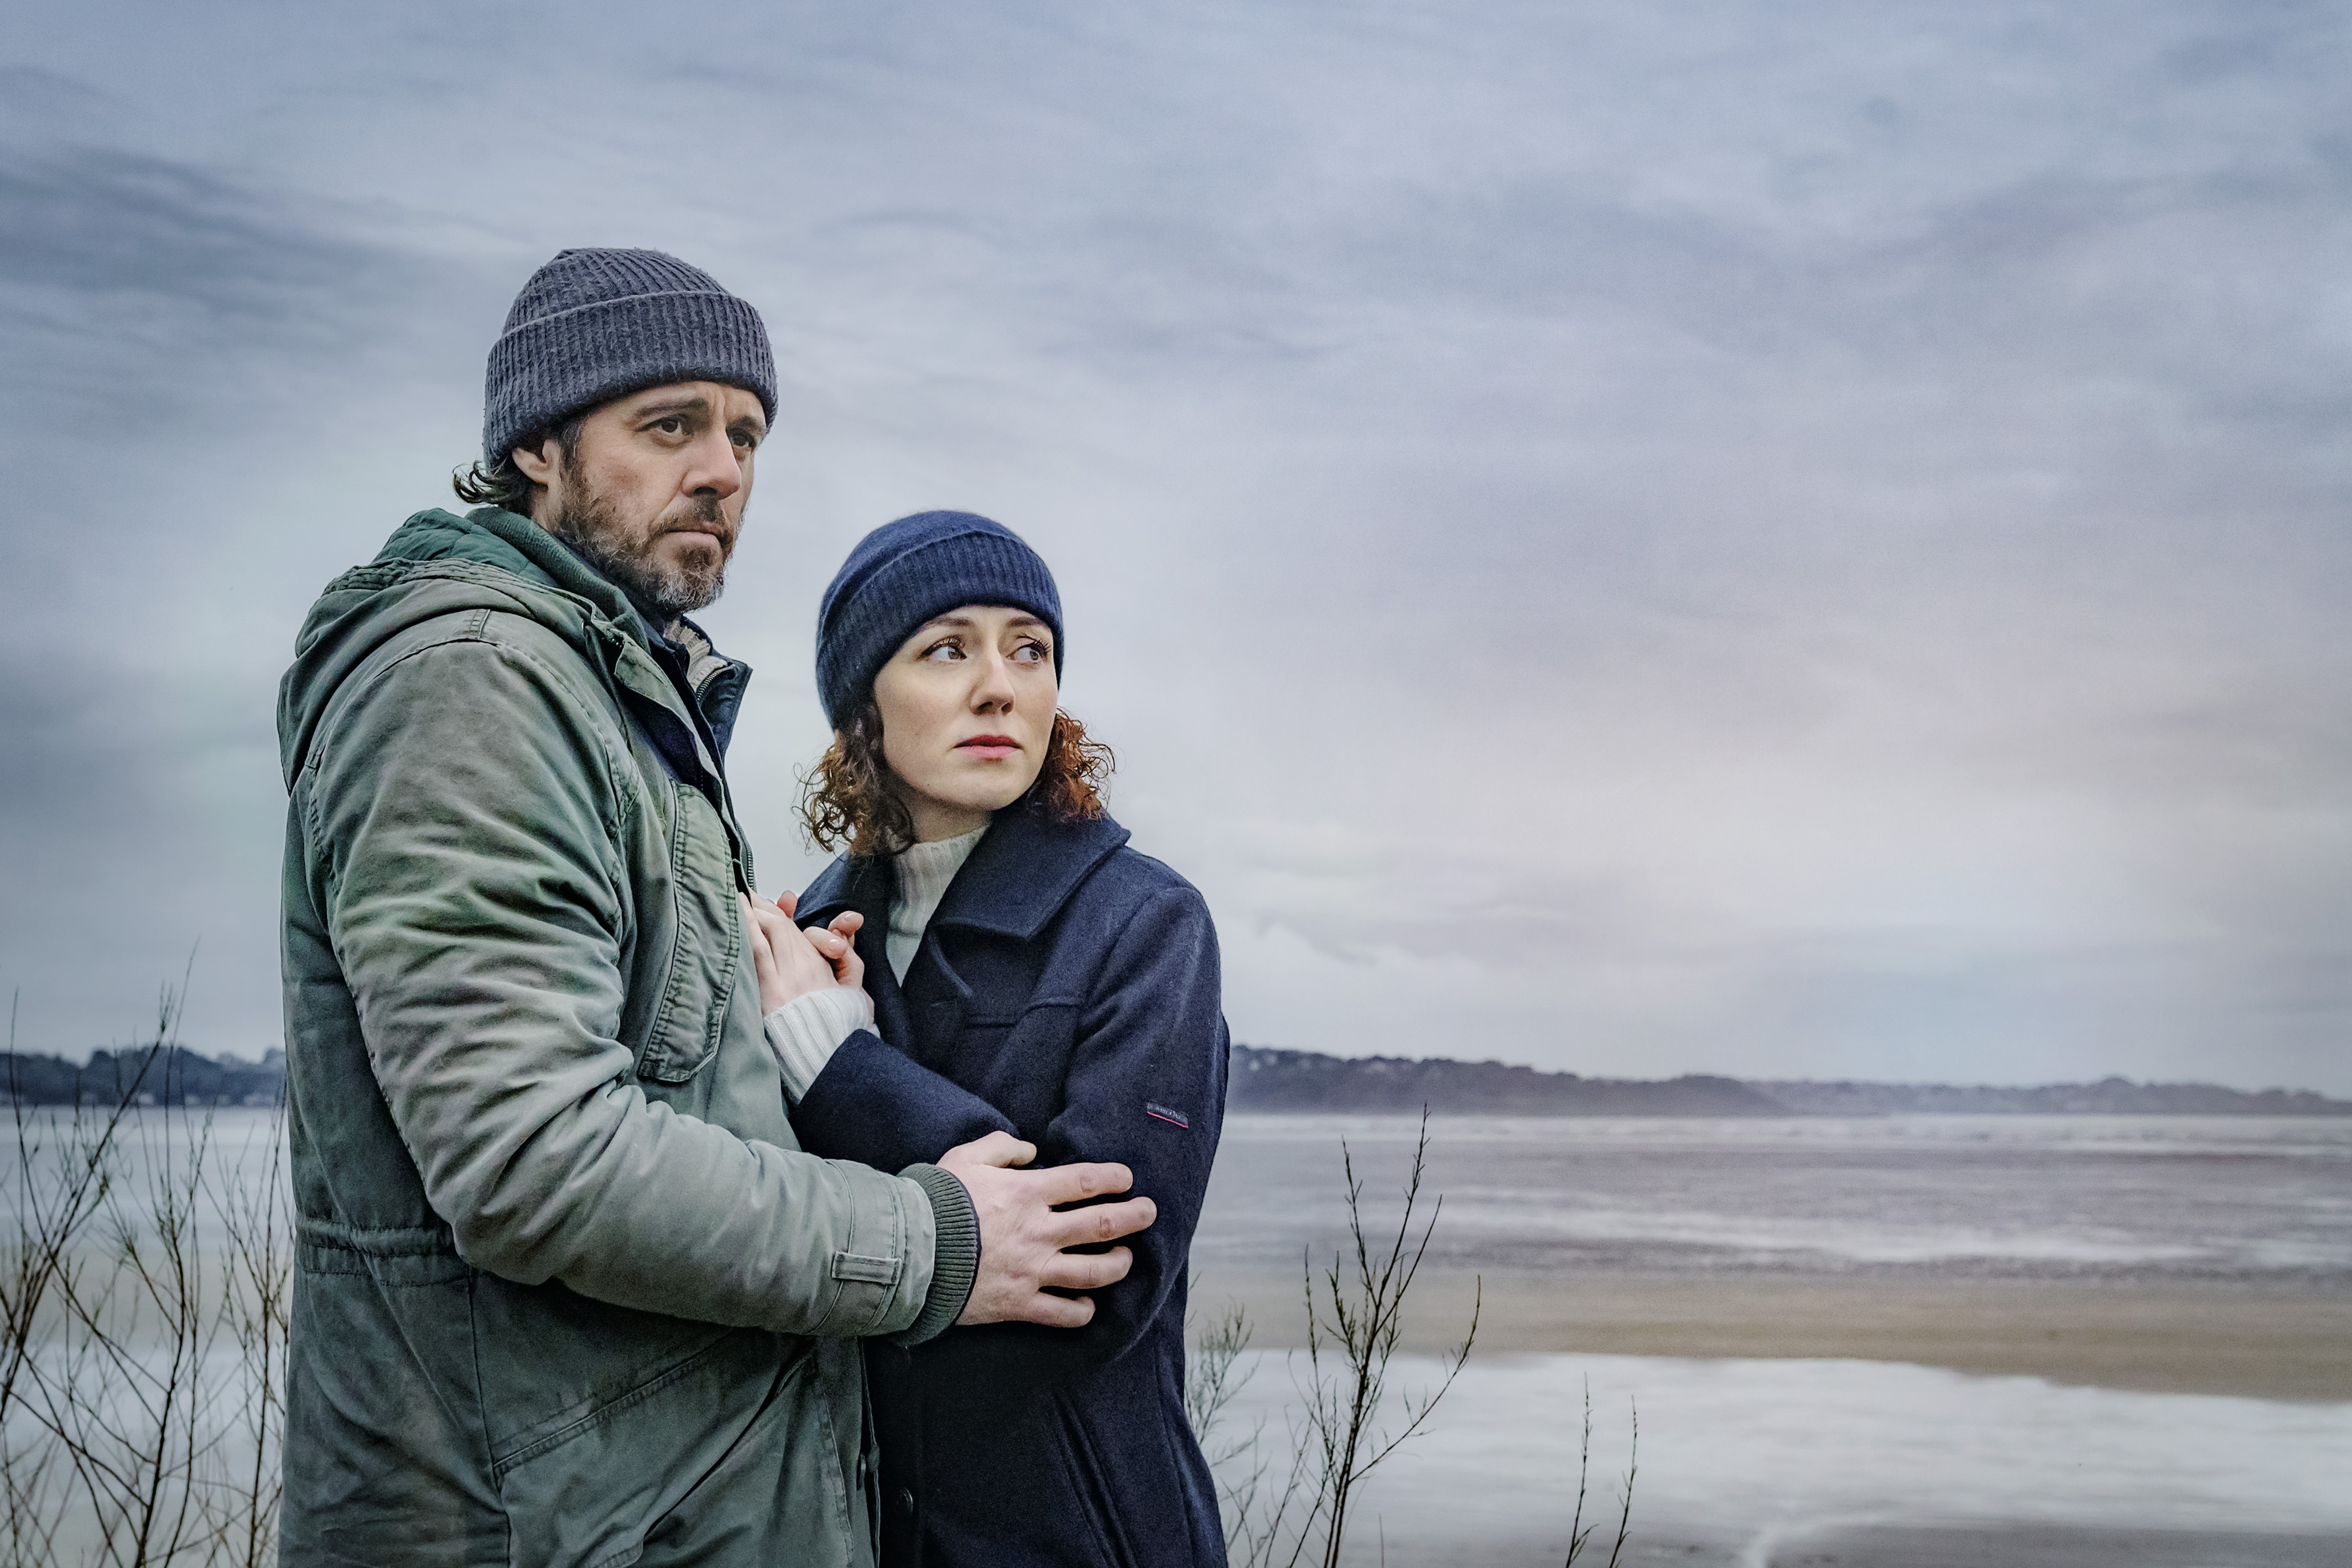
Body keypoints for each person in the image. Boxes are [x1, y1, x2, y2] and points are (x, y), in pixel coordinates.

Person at [275, 252, 1154, 1567]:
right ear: (535, 446)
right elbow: (533, 1162)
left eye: (745, 432)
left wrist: (766, 1024)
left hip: (660, 1511)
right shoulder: (470, 686)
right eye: (668, 424)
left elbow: (639, 1071)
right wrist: (935, 1245)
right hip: (536, 1525)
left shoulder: (617, 693)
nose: (725, 471)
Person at [738, 511, 1230, 1568]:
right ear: (865, 699)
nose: (1000, 685)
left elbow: (1103, 1271)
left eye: (1030, 648)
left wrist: (844, 1068)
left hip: (1081, 1540)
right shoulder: (810, 936)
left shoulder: (1145, 925)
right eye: (947, 648)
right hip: (861, 1536)